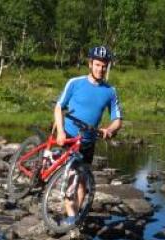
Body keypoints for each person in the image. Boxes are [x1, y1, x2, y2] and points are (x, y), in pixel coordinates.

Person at [53, 45, 123, 226]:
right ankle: (71, 219)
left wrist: (110, 129)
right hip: (68, 136)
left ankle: (73, 215)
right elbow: (59, 107)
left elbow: (117, 119)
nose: (101, 69)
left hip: (88, 141)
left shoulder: (110, 91)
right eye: (98, 65)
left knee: (82, 182)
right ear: (90, 64)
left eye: (104, 66)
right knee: (70, 177)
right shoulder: (75, 83)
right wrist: (60, 132)